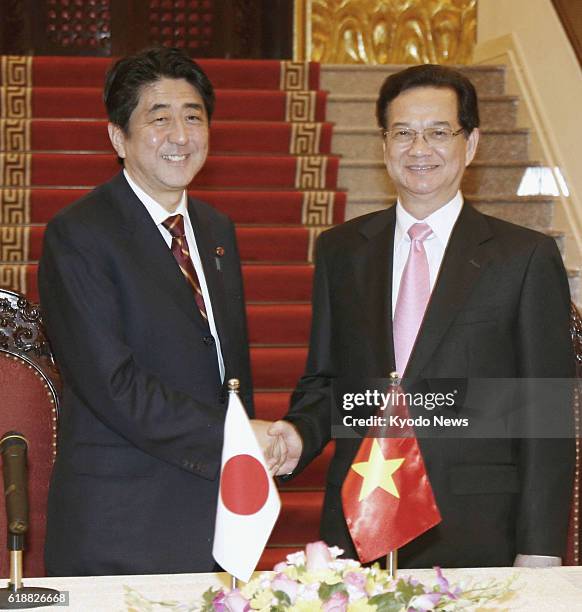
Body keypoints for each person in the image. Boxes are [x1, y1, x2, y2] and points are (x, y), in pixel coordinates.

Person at [268, 64, 575, 568]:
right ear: (384, 144)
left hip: (474, 529)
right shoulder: (342, 250)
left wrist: (539, 548)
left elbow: (545, 415)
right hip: (359, 518)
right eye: (403, 133)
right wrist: (298, 433)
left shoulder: (523, 257)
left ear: (470, 144)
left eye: (439, 133)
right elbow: (328, 383)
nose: (419, 149)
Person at [38, 47, 272, 576]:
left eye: (193, 116)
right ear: (118, 137)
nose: (181, 135)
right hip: (123, 523)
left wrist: (244, 458)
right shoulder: (79, 235)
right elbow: (112, 384)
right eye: (159, 118)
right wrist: (233, 435)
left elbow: (227, 370)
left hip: (219, 512)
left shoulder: (215, 230)